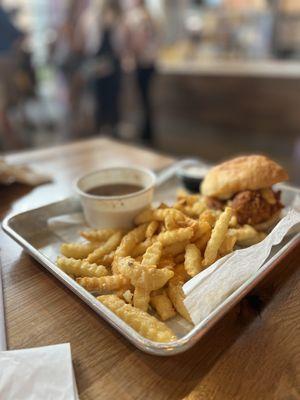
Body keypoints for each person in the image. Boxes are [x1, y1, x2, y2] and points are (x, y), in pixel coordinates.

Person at [124, 0, 159, 145]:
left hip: (142, 63)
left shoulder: (137, 16)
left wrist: (131, 54)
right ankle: (148, 132)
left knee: (142, 100)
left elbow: (139, 41)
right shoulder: (149, 15)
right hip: (151, 62)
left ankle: (145, 134)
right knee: (147, 99)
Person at [92, 1, 123, 136]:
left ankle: (111, 126)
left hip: (113, 63)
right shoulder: (95, 18)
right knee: (102, 97)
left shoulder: (119, 19)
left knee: (112, 97)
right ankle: (102, 126)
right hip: (101, 62)